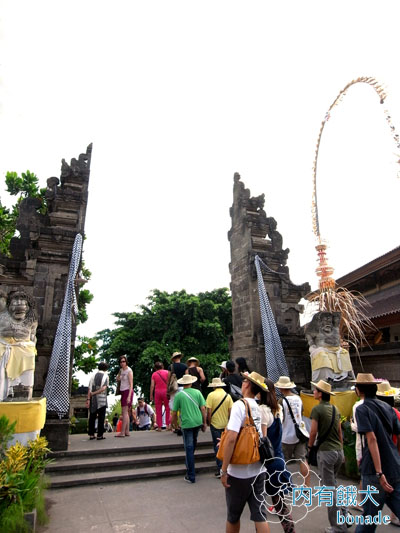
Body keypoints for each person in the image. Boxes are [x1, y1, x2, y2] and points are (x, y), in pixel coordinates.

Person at [220, 371, 270, 533]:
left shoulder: (239, 405)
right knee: (260, 516)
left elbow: (232, 438)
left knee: (233, 516)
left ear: (247, 384)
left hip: (239, 473)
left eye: (243, 381)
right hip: (259, 469)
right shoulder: (259, 406)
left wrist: (224, 470)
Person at [353, 373, 400, 532]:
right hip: (394, 467)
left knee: (369, 520)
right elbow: (397, 435)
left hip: (374, 470)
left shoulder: (362, 408)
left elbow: (372, 439)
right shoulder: (388, 408)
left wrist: (379, 473)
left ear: (359, 390)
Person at [308, 380, 347, 533]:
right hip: (338, 450)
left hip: (326, 452)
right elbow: (339, 431)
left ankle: (338, 526)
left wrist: (310, 448)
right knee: (333, 485)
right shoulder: (335, 409)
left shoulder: (317, 410)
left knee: (329, 490)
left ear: (320, 393)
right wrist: (341, 450)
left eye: (316, 390)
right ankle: (344, 514)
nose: (314, 391)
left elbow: (313, 432)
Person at [259, 377, 295, 533]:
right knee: (279, 502)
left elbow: (263, 439)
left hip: (268, 464)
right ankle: (290, 530)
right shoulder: (277, 409)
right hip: (279, 459)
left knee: (258, 504)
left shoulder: (262, 410)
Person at [171, 374, 207, 484]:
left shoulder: (179, 395)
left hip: (186, 424)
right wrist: (205, 422)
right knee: (193, 444)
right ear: (191, 383)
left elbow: (174, 412)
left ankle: (191, 475)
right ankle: (189, 465)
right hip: (197, 422)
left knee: (189, 448)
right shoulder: (197, 392)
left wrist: (175, 424)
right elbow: (203, 408)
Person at [276, 375, 310, 486]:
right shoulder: (298, 399)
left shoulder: (281, 401)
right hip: (299, 434)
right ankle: (307, 486)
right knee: (302, 460)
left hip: (286, 436)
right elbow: (301, 413)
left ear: (281, 388)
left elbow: (280, 419)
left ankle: (283, 485)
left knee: (282, 461)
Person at [206, 377, 233, 477]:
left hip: (215, 424)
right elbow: (230, 411)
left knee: (217, 446)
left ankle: (220, 468)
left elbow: (209, 411)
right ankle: (228, 467)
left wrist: (208, 421)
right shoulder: (227, 396)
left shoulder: (211, 395)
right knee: (227, 445)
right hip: (226, 424)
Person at [87, 362, 109, 441]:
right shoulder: (106, 376)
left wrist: (88, 399)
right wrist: (95, 393)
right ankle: (100, 435)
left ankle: (91, 434)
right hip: (102, 399)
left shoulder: (93, 376)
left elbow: (89, 388)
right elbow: (104, 388)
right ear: (106, 369)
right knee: (101, 417)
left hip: (93, 400)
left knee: (92, 417)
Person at [167, 351, 187, 432]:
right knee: (183, 407)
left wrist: (167, 389)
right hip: (182, 388)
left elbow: (168, 379)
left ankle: (176, 426)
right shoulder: (185, 366)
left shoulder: (171, 367)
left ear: (173, 359)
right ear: (179, 357)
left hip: (174, 389)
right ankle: (183, 425)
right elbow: (186, 377)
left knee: (174, 408)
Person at [115, 355, 133, 437]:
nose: (122, 363)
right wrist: (118, 376)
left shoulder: (129, 371)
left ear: (126, 362)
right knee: (126, 412)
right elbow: (118, 379)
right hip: (122, 391)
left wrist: (129, 396)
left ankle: (122, 432)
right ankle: (127, 431)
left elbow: (131, 384)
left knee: (124, 412)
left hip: (127, 391)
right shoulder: (121, 370)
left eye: (124, 361)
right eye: (121, 362)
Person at [150, 362, 170, 431]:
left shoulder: (154, 374)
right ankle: (168, 426)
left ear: (155, 368)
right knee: (168, 408)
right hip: (166, 391)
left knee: (158, 409)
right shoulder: (167, 372)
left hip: (157, 392)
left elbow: (152, 385)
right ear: (163, 366)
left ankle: (159, 427)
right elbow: (169, 383)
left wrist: (151, 395)